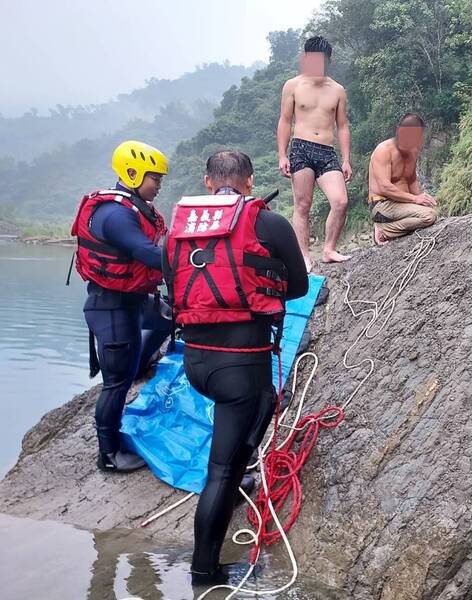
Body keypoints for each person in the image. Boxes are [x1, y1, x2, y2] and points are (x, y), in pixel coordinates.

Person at [164, 150, 308, 586]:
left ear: (208, 182)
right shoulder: (267, 221)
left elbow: (171, 283)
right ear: (249, 181)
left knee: (247, 426)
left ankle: (236, 464)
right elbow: (298, 286)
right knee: (220, 472)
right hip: (241, 365)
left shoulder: (178, 229)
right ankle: (205, 571)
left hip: (196, 361)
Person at [70, 140, 172, 473]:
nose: (158, 185)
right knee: (116, 383)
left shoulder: (135, 207)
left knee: (169, 319)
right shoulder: (115, 215)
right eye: (154, 178)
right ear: (132, 173)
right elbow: (147, 253)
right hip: (111, 307)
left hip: (134, 300)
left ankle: (139, 363)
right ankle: (109, 455)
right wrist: (197, 260)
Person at [277, 35, 352, 271]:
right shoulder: (293, 85)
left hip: (327, 151)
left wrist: (346, 159)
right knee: (303, 204)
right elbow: (285, 121)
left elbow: (342, 126)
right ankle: (304, 256)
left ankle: (329, 250)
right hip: (301, 147)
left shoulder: (338, 90)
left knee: (340, 201)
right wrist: (282, 154)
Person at [367, 113, 438, 245]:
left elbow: (411, 181)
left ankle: (389, 227)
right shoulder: (384, 150)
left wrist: (422, 199)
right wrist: (415, 199)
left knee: (432, 212)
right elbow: (385, 187)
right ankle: (385, 230)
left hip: (403, 205)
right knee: (429, 216)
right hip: (382, 205)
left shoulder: (413, 152)